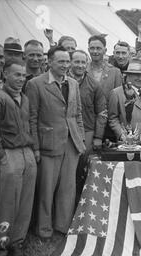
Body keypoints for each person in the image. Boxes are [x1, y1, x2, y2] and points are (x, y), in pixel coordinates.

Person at [26, 46, 86, 239]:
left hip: (71, 143)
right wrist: (35, 147)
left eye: (67, 61)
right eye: (61, 61)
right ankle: (43, 229)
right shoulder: (35, 84)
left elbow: (77, 114)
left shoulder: (73, 84)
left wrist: (80, 138)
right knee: (46, 189)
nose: (65, 65)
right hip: (48, 144)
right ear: (49, 62)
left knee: (68, 187)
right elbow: (32, 118)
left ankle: (62, 226)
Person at [0, 59, 37, 256]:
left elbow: (31, 124)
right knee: (7, 201)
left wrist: (34, 151)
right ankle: (1, 246)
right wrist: (1, 156)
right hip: (9, 154)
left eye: (23, 75)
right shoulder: (0, 98)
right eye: (16, 75)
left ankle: (17, 243)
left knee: (25, 200)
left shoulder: (25, 98)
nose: (21, 79)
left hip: (27, 153)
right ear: (5, 74)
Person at [68, 50, 107, 190]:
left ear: (87, 63)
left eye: (83, 62)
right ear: (70, 62)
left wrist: (98, 137)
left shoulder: (94, 85)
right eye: (76, 61)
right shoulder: (63, 81)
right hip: (66, 132)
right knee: (66, 171)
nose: (80, 65)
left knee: (81, 169)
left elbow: (102, 113)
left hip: (87, 131)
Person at [108, 58, 141, 141]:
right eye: (137, 75)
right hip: (130, 143)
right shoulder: (117, 93)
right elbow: (113, 118)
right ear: (128, 76)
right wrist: (121, 134)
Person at [87, 35, 122, 142]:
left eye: (98, 48)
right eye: (92, 48)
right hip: (86, 125)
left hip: (109, 127)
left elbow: (118, 102)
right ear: (88, 50)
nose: (95, 51)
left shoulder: (115, 72)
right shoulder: (83, 70)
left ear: (105, 50)